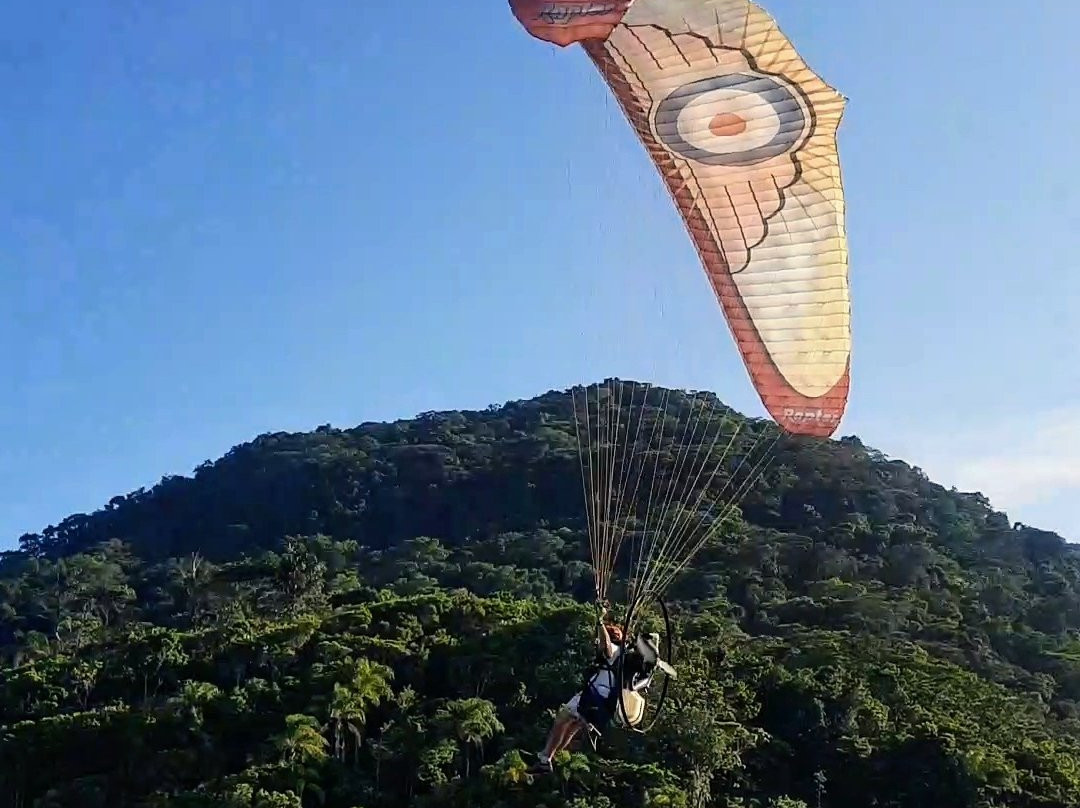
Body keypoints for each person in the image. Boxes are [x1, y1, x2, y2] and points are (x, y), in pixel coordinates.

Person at [527, 617, 674, 775]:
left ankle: (545, 759)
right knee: (572, 726)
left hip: (594, 696)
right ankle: (551, 757)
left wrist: (600, 623)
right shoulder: (629, 660)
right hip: (606, 706)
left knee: (562, 719)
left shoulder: (616, 651)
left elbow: (607, 646)